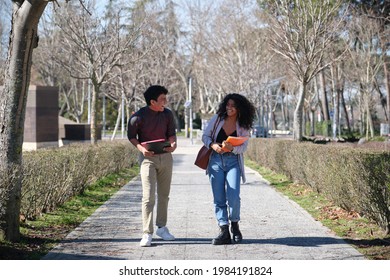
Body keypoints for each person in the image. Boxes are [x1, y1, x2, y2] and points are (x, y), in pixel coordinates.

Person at [202, 93, 255, 245]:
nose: (229, 108)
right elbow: (205, 136)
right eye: (228, 104)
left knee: (233, 196)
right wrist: (213, 145)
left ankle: (235, 225)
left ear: (239, 108)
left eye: (233, 105)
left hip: (233, 162)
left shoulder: (243, 123)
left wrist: (232, 149)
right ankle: (223, 229)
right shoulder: (218, 118)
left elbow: (244, 146)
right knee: (218, 198)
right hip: (215, 161)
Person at [127, 85, 177, 247]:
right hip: (148, 159)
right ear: (152, 101)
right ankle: (147, 233)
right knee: (148, 197)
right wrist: (141, 148)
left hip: (166, 158)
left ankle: (161, 228)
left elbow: (171, 133)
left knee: (164, 195)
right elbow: (132, 136)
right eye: (162, 99)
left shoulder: (168, 114)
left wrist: (174, 144)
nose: (166, 102)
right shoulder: (138, 117)